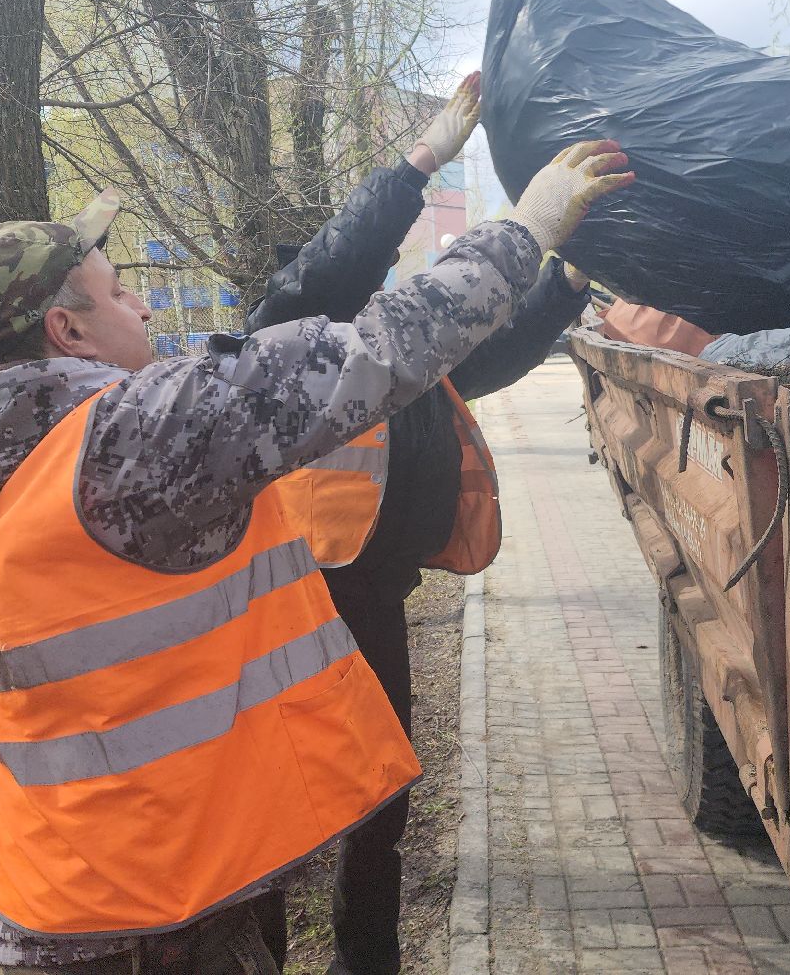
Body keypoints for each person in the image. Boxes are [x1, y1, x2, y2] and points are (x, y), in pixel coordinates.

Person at [0, 137, 635, 973]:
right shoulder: (129, 441)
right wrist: (527, 226)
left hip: (34, 896)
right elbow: (382, 346)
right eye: (121, 293)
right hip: (149, 920)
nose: (144, 308)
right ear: (66, 330)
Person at [244, 72, 599, 975]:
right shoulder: (294, 347)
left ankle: (367, 963)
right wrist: (420, 161)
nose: (375, 286)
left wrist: (565, 286)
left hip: (373, 603)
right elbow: (336, 262)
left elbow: (497, 352)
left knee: (382, 797)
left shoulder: (396, 371)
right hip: (297, 606)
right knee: (281, 810)